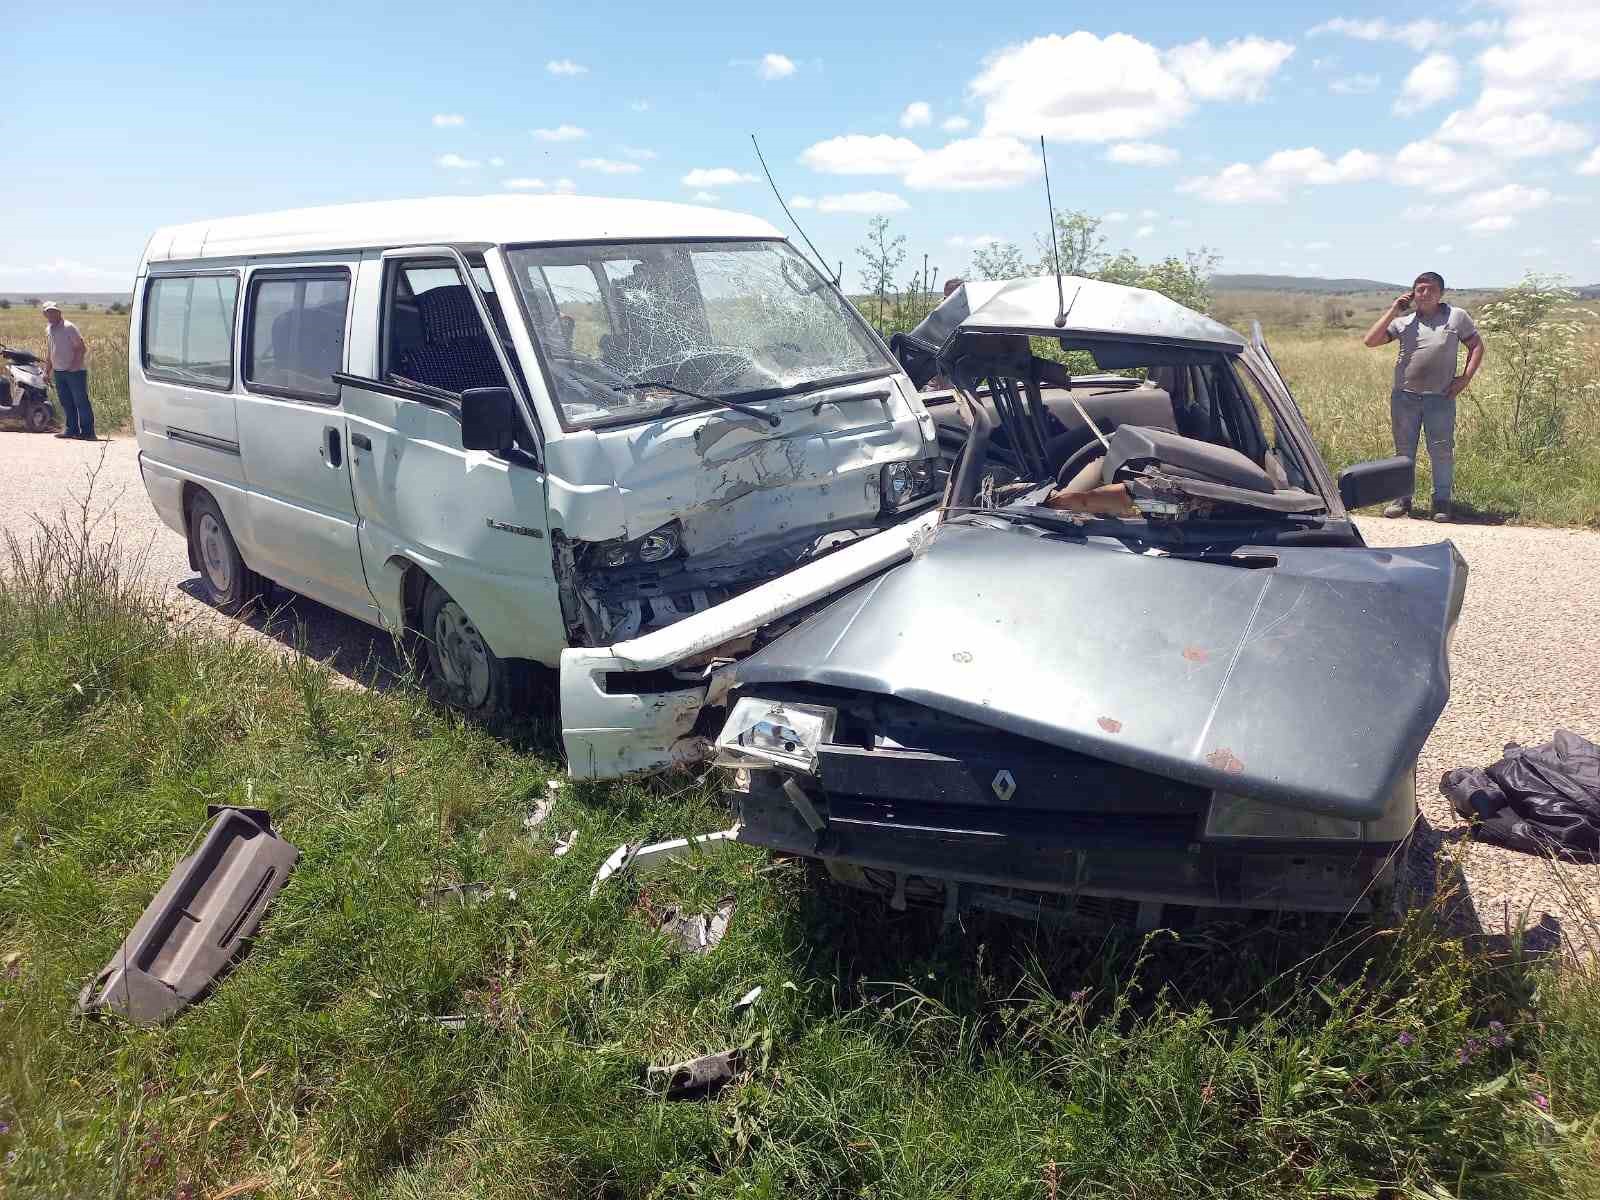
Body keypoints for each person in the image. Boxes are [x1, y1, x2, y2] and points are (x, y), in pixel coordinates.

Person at [1361, 271, 1483, 521]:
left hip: (1441, 397)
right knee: (1404, 451)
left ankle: (1441, 502)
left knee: (1441, 450)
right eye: (1419, 289)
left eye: (1430, 289)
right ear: (1412, 293)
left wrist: (1465, 378)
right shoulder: (1404, 322)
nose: (1424, 294)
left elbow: (1476, 345)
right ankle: (1401, 499)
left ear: (1440, 294)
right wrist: (1394, 309)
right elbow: (1370, 341)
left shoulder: (1456, 317)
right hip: (1405, 397)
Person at [42, 301, 95, 440]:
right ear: (44, 314)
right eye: (48, 312)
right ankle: (71, 430)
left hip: (75, 372)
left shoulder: (69, 327)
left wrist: (74, 366)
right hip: (59, 372)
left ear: (59, 312)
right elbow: (50, 352)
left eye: (54, 311)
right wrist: (46, 371)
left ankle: (88, 433)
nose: (51, 314)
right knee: (66, 402)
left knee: (81, 402)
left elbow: (81, 348)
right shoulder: (49, 329)